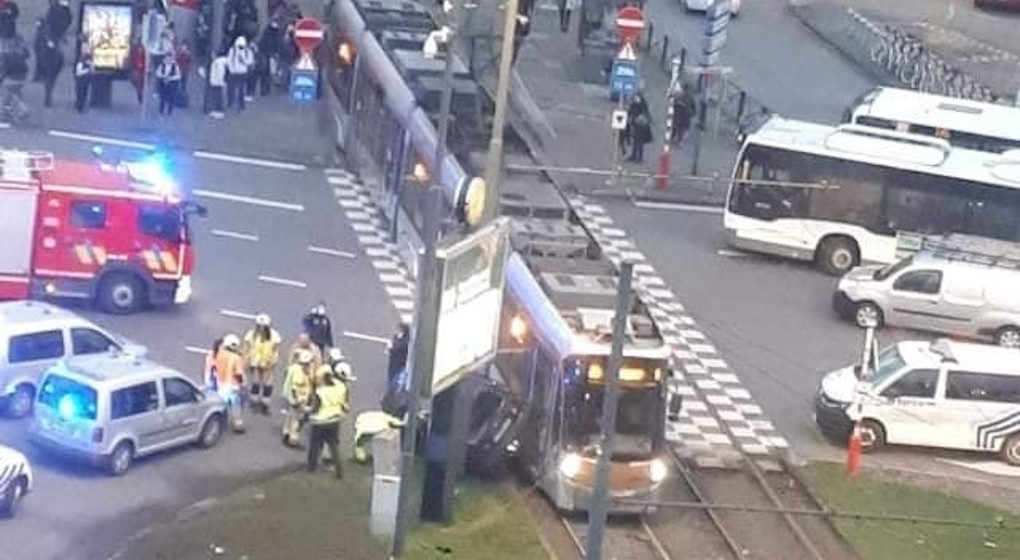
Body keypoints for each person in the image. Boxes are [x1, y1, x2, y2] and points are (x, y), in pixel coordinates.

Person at [305, 365, 349, 478]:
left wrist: (306, 410)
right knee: (333, 445)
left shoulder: (320, 392)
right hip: (335, 420)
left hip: (320, 421)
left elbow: (315, 408)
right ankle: (339, 470)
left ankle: (311, 467)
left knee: (315, 445)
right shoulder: (340, 387)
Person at [243, 313, 282, 415]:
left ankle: (265, 405)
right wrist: (246, 361)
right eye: (259, 326)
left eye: (263, 327)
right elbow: (247, 348)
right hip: (254, 362)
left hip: (267, 363)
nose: (261, 329)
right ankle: (254, 403)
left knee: (267, 384)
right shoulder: (251, 335)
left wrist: (273, 362)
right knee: (255, 382)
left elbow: (276, 351)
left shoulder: (274, 336)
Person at [213, 334, 247, 432]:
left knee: (223, 405)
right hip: (232, 386)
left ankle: (221, 423)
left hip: (220, 384)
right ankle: (238, 424)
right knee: (235, 405)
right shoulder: (236, 358)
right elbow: (238, 374)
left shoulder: (219, 354)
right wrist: (242, 384)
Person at [282, 349, 315, 447]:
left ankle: (286, 432)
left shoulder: (294, 367)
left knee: (291, 415)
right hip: (298, 399)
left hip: (292, 397)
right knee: (298, 419)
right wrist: (297, 401)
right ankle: (293, 438)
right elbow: (295, 388)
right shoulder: (300, 372)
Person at [32, 16, 62, 107]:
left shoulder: (44, 32)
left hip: (48, 61)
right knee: (50, 81)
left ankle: (47, 98)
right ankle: (47, 98)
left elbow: (47, 44)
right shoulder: (45, 32)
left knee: (49, 81)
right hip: (48, 60)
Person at [225, 35, 253, 111]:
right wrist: (231, 70)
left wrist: (243, 60)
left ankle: (241, 104)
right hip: (234, 72)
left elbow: (250, 61)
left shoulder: (248, 51)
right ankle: (230, 101)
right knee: (231, 88)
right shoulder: (232, 50)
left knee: (241, 89)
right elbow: (229, 61)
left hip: (243, 72)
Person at [626, 93, 653, 163]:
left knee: (640, 142)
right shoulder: (633, 105)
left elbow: (647, 114)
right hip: (635, 126)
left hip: (642, 127)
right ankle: (633, 156)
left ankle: (640, 158)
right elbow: (629, 113)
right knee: (635, 141)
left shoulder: (643, 106)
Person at [155, 51, 181, 115]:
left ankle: (169, 111)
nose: (168, 60)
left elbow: (178, 75)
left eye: (169, 58)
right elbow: (157, 73)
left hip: (172, 84)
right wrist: (163, 76)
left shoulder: (175, 65)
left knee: (171, 98)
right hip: (163, 83)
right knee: (162, 98)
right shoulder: (162, 65)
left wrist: (170, 78)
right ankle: (161, 111)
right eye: (167, 58)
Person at [205, 49, 227, 117]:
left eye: (213, 54)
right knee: (217, 96)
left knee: (217, 96)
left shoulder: (217, 63)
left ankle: (219, 110)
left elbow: (219, 73)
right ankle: (218, 110)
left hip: (216, 82)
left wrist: (217, 81)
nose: (212, 56)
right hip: (216, 82)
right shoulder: (217, 62)